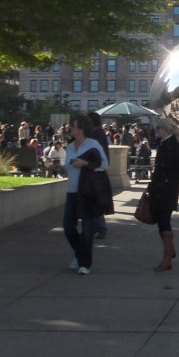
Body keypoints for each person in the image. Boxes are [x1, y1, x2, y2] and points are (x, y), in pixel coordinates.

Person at [62, 113, 108, 275]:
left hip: (87, 191)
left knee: (88, 227)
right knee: (68, 226)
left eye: (73, 126)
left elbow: (104, 164)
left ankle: (85, 263)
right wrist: (59, 168)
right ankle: (80, 253)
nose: (70, 129)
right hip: (72, 190)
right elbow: (68, 167)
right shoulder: (69, 147)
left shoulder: (92, 144)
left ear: (81, 128)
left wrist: (86, 163)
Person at [147, 118, 179, 271]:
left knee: (164, 221)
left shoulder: (176, 146)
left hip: (167, 190)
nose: (157, 131)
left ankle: (167, 256)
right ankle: (169, 248)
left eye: (159, 128)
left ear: (166, 129)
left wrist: (169, 183)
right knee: (160, 221)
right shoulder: (163, 144)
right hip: (158, 189)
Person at [89, 112, 111, 239]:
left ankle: (100, 227)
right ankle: (97, 226)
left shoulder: (97, 135)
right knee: (94, 200)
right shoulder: (99, 134)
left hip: (96, 170)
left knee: (95, 200)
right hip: (97, 169)